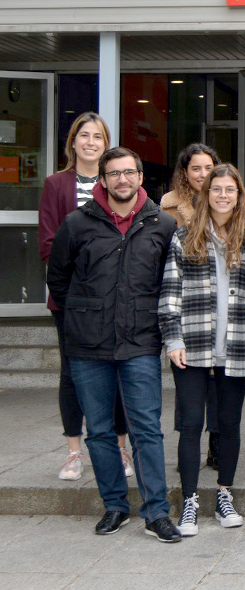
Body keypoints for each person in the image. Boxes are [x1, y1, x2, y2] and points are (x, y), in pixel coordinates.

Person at [46, 146, 181, 542]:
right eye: (114, 173)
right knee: (101, 430)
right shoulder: (76, 224)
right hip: (88, 345)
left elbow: (168, 283)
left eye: (129, 172)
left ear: (141, 177)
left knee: (146, 429)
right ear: (102, 180)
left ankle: (157, 512)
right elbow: (59, 280)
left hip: (140, 342)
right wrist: (84, 316)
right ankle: (115, 507)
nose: (123, 179)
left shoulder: (163, 224)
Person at [159, 164, 245, 537]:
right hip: (193, 344)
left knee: (228, 424)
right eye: (216, 189)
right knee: (190, 424)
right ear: (206, 194)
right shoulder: (185, 236)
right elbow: (169, 293)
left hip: (238, 345)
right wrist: (173, 339)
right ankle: (189, 501)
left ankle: (224, 494)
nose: (223, 195)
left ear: (240, 196)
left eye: (230, 190)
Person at [39, 112, 133, 482]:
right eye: (84, 135)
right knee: (71, 373)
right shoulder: (55, 184)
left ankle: (120, 448)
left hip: (116, 297)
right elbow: (49, 243)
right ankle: (74, 453)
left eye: (98, 136)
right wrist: (80, 286)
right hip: (71, 298)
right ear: (73, 141)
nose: (91, 142)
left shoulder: (117, 180)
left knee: (118, 371)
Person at [161, 142, 223, 469]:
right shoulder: (168, 207)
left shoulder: (227, 200)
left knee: (218, 382)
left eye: (208, 167)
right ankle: (189, 443)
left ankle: (216, 444)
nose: (202, 174)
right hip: (186, 302)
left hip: (220, 305)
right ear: (185, 172)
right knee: (190, 383)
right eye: (195, 168)